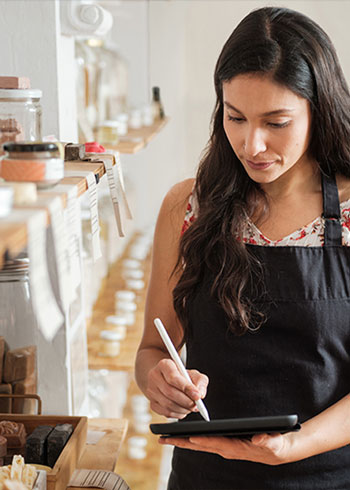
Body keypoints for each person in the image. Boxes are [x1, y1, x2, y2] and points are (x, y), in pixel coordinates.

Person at [135, 6, 350, 489]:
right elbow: (152, 348)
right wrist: (160, 382)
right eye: (235, 117)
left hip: (330, 476)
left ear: (320, 108)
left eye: (277, 122)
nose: (252, 144)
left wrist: (296, 444)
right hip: (204, 477)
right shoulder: (187, 208)